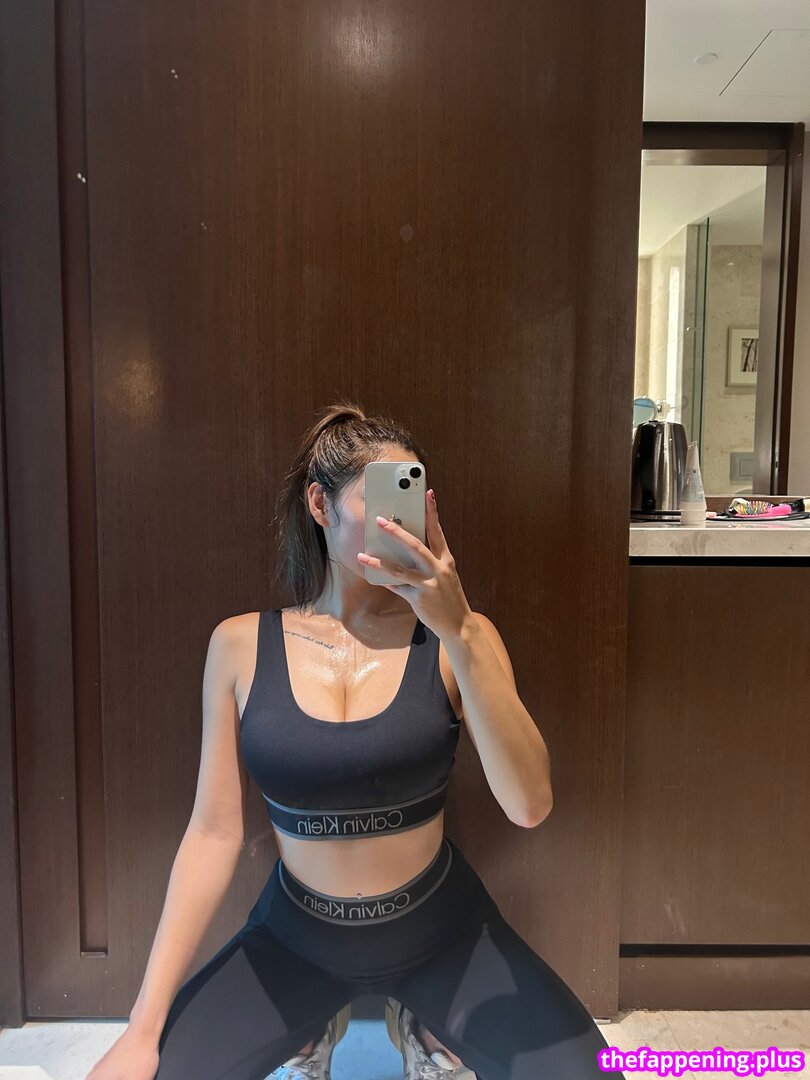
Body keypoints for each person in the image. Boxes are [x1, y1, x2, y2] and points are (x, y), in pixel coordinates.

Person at [87, 400, 625, 1080]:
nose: (400, 523)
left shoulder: (461, 637)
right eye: (381, 499)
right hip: (296, 939)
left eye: (412, 500)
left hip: (442, 930)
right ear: (320, 504)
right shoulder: (239, 646)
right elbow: (213, 833)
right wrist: (142, 1028)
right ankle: (318, 1028)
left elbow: (530, 805)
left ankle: (419, 1023)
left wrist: (458, 627)